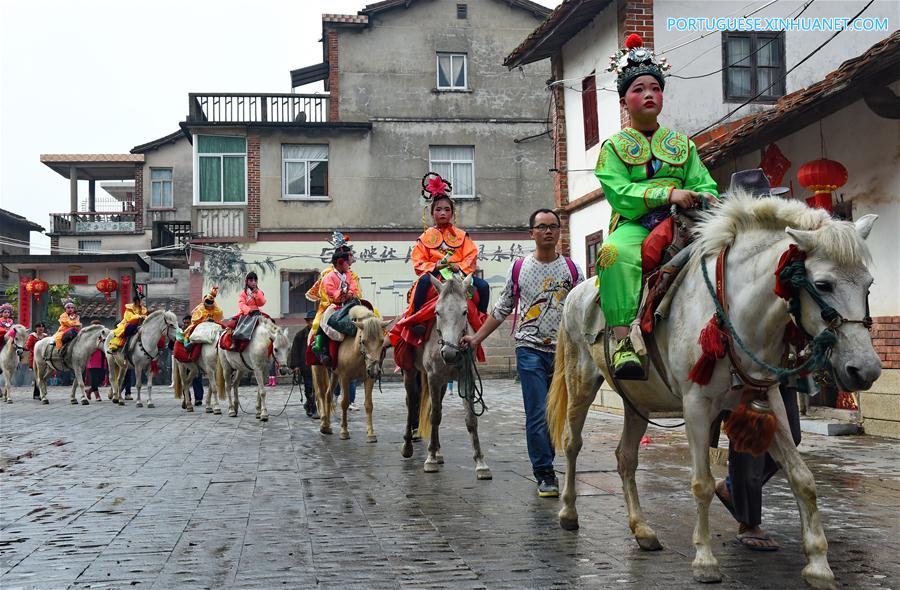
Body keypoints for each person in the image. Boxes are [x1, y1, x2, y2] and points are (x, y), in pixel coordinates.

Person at [596, 33, 718, 380]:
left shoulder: (683, 145)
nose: (648, 93)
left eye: (655, 87)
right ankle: (623, 343)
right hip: (636, 224)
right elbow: (619, 192)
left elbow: (703, 183)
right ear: (624, 101)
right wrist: (668, 195)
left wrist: (706, 197)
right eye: (638, 89)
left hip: (685, 221)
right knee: (612, 255)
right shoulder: (614, 148)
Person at [462, 208, 583, 498]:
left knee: (560, 412)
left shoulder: (573, 269)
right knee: (537, 412)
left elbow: (581, 309)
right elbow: (503, 308)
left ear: (559, 231)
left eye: (553, 226)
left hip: (564, 351)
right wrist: (477, 338)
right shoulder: (519, 268)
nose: (548, 231)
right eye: (542, 227)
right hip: (529, 348)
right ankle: (544, 472)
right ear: (531, 233)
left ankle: (549, 460)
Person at [713, 383, 803, 550]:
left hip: (783, 366)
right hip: (749, 368)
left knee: (790, 436)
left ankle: (732, 489)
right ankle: (748, 523)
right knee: (751, 435)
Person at [406, 173, 490, 337]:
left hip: (459, 274)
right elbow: (418, 261)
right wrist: (435, 266)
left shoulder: (462, 235)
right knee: (423, 281)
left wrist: (459, 266)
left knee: (484, 286)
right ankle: (417, 319)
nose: (443, 213)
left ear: (452, 213)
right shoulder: (425, 238)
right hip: (435, 275)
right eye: (438, 209)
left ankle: (481, 319)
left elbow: (471, 255)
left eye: (447, 209)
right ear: (432, 213)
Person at [309, 240, 360, 366]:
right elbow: (330, 291)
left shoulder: (349, 275)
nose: (350, 263)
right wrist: (342, 294)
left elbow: (354, 287)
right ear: (341, 262)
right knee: (323, 321)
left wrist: (351, 293)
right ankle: (322, 349)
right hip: (334, 305)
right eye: (348, 261)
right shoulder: (328, 276)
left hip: (349, 304)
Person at [290, 310, 316, 417]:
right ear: (308, 322)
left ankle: (311, 405)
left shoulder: (321, 334)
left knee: (317, 389)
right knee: (309, 387)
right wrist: (295, 366)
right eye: (311, 320)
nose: (313, 322)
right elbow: (295, 351)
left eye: (315, 320)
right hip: (306, 366)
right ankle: (311, 407)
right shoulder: (300, 335)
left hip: (318, 366)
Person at [108, 287, 148, 352]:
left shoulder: (143, 309)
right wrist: (139, 316)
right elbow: (128, 317)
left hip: (140, 324)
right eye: (143, 300)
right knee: (129, 329)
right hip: (129, 324)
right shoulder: (130, 308)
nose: (144, 302)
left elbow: (146, 317)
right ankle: (118, 347)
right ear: (137, 301)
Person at [179, 315, 205, 406]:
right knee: (184, 378)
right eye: (185, 323)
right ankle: (187, 398)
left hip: (194, 359)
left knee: (197, 378)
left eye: (188, 322)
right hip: (183, 360)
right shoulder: (180, 332)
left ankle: (198, 398)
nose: (186, 324)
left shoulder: (195, 332)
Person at [85, 320, 107, 401]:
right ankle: (97, 396)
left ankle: (89, 390)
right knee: (94, 380)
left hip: (102, 360)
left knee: (101, 378)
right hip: (92, 360)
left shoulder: (104, 335)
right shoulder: (88, 337)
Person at [26, 322, 48, 400]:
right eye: (39, 327)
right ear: (36, 328)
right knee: (38, 376)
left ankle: (38, 393)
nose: (41, 328)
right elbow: (28, 346)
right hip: (35, 358)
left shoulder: (45, 336)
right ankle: (38, 393)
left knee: (42, 376)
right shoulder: (32, 336)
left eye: (42, 327)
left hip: (44, 358)